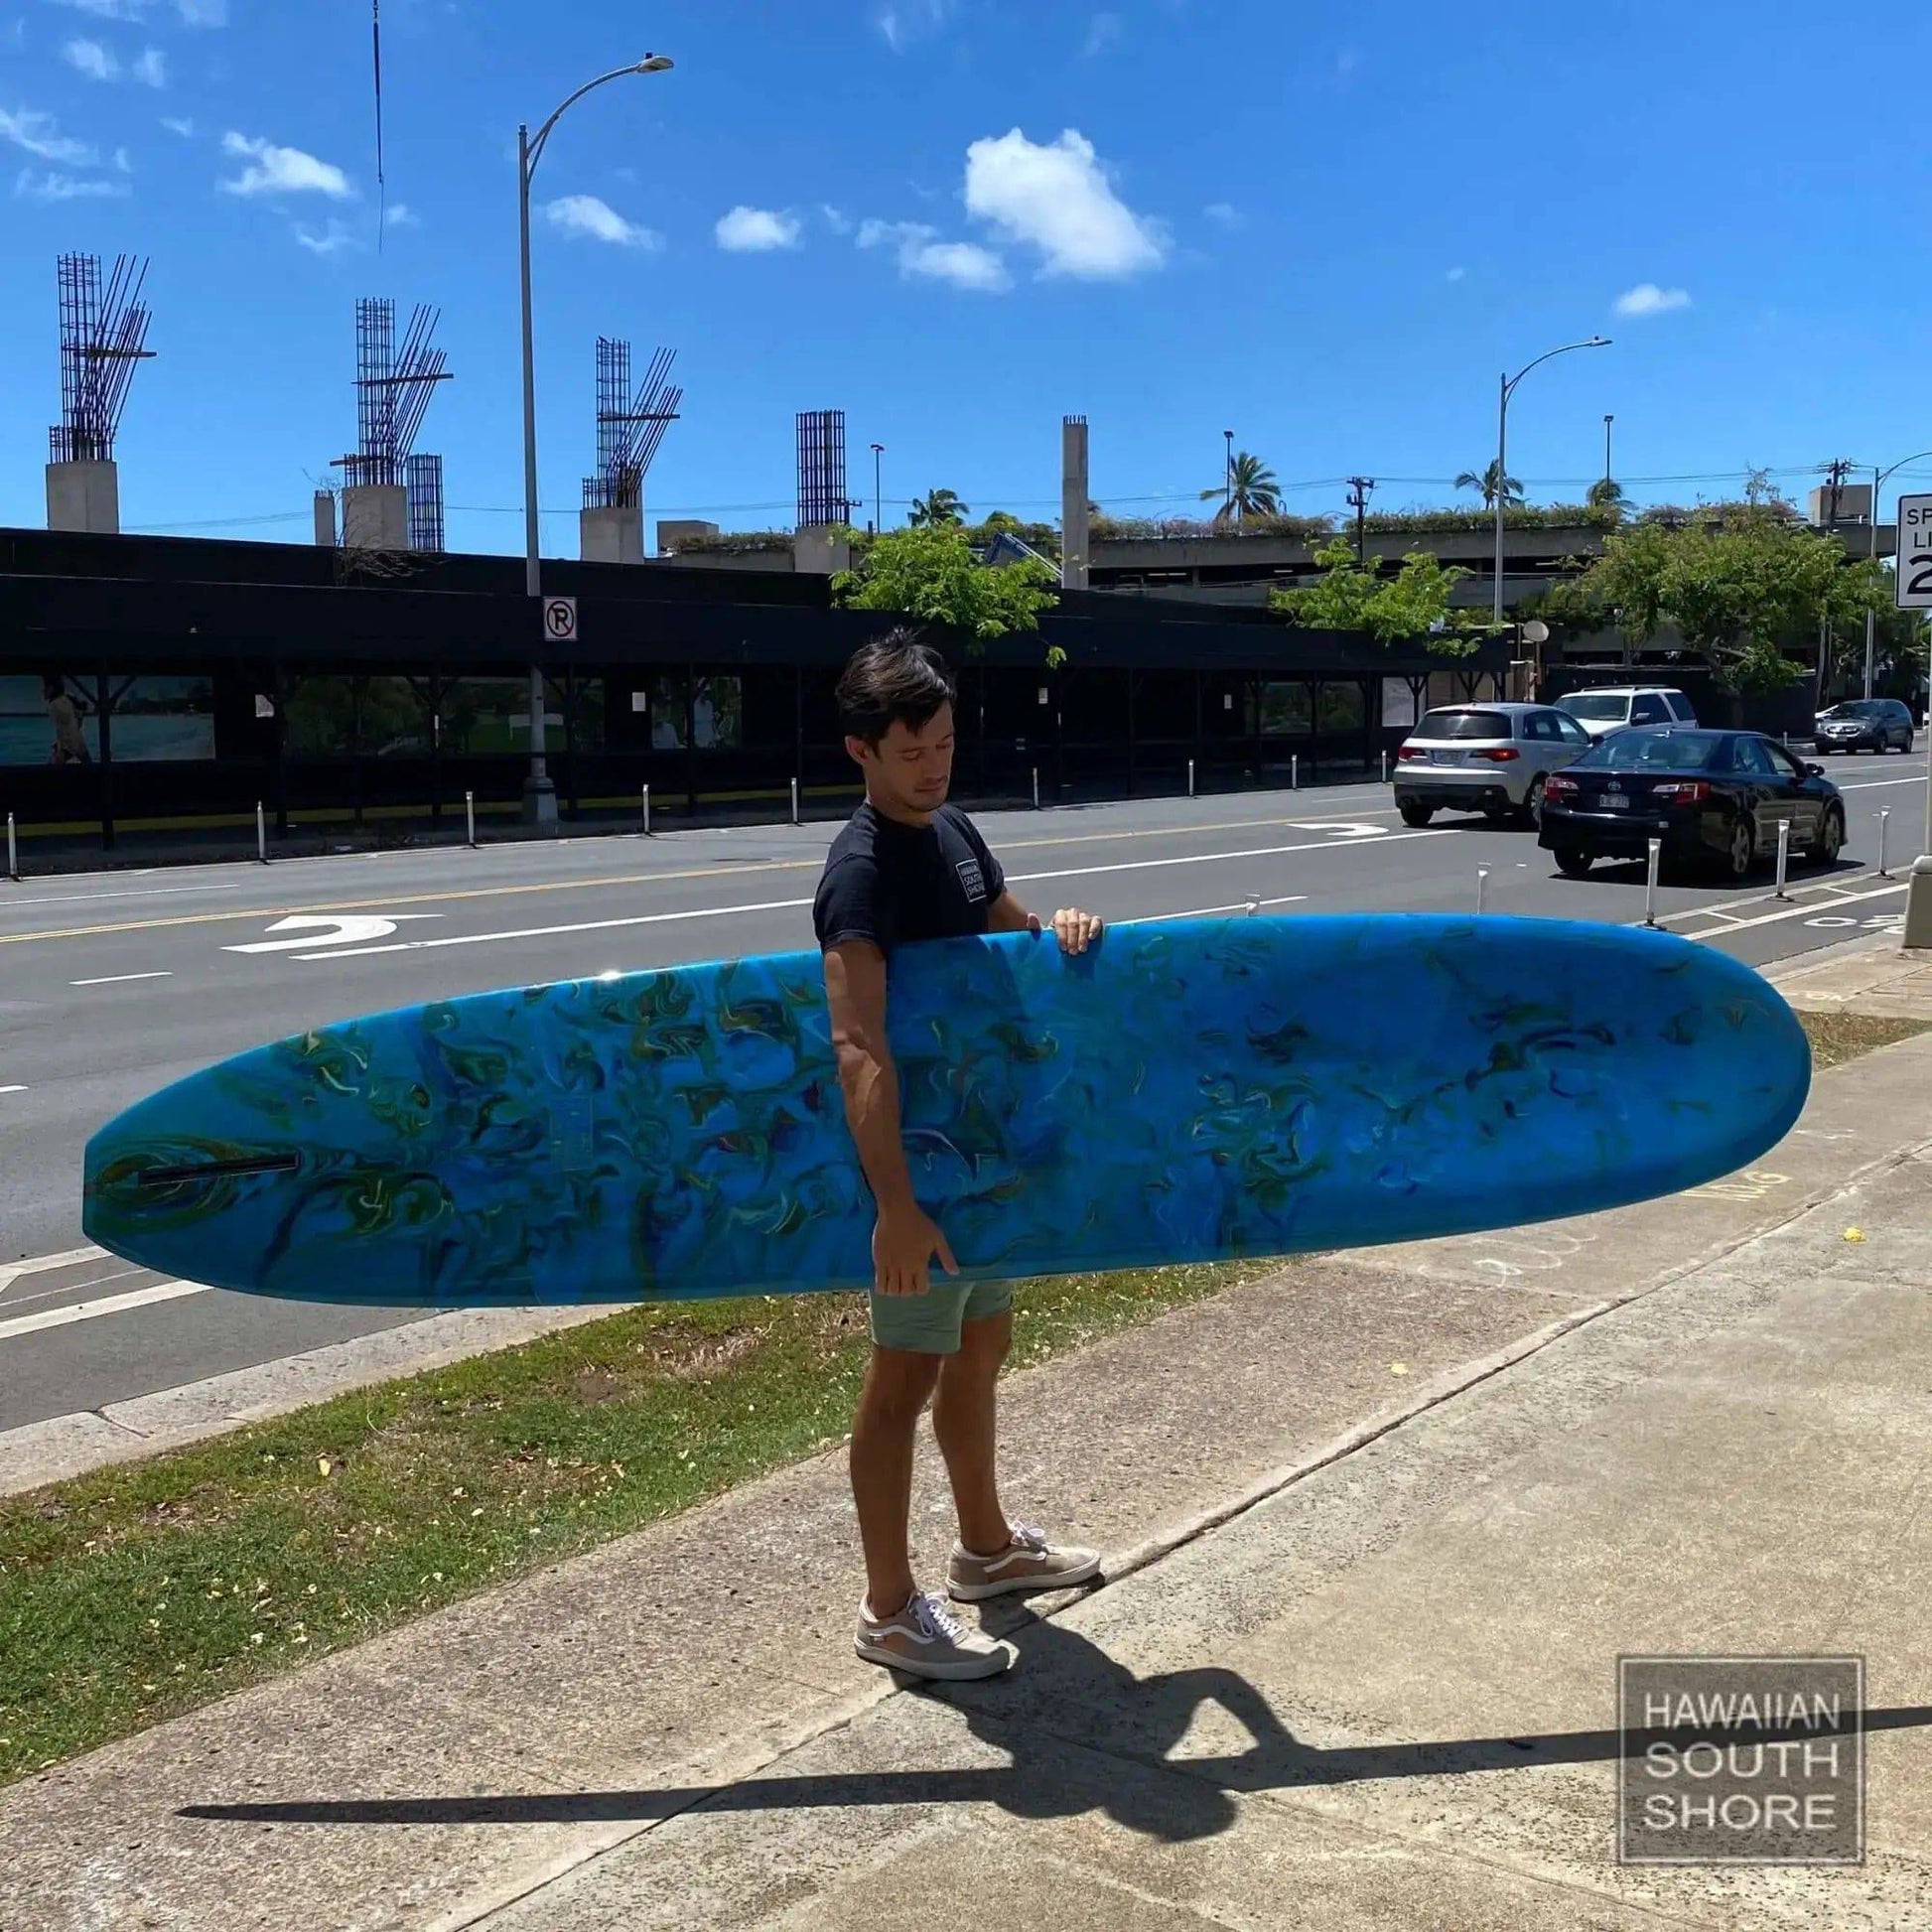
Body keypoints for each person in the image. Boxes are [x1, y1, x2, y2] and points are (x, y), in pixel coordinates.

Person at [814, 631, 1104, 1681]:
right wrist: (893, 1204)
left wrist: (1057, 930)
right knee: (902, 1375)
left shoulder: (953, 829)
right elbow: (857, 1045)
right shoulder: (858, 876)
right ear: (860, 750)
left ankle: (983, 1551)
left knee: (981, 1347)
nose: (933, 767)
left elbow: (1005, 935)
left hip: (987, 1159)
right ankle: (888, 1607)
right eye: (911, 752)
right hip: (921, 1175)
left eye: (942, 744)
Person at [43, 675, 89, 766]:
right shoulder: (67, 699)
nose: (43, 691)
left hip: (68, 742)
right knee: (88, 763)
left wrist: (59, 747)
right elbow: (77, 721)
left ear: (51, 689)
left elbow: (62, 726)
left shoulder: (54, 705)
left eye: (45, 688)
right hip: (77, 739)